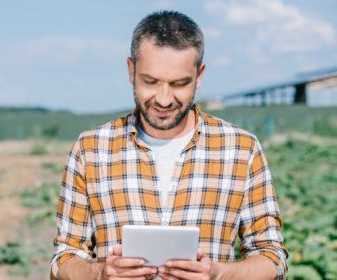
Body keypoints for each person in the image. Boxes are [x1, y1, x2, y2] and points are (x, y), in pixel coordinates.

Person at [50, 10, 287, 280]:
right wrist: (100, 273)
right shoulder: (90, 150)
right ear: (131, 70)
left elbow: (272, 257)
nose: (164, 99)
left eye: (179, 84)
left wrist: (219, 274)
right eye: (150, 82)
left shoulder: (241, 149)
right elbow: (64, 259)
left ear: (199, 75)